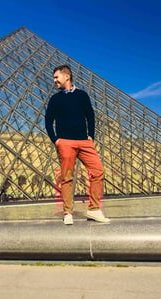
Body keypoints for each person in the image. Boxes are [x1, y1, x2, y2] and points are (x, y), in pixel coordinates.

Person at [45, 65, 110, 225]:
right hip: (65, 142)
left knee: (98, 171)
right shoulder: (55, 99)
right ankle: (68, 212)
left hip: (84, 141)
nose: (54, 81)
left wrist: (91, 136)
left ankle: (94, 209)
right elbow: (48, 121)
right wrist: (56, 140)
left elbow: (90, 116)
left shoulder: (82, 95)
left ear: (66, 76)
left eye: (56, 77)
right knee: (66, 177)